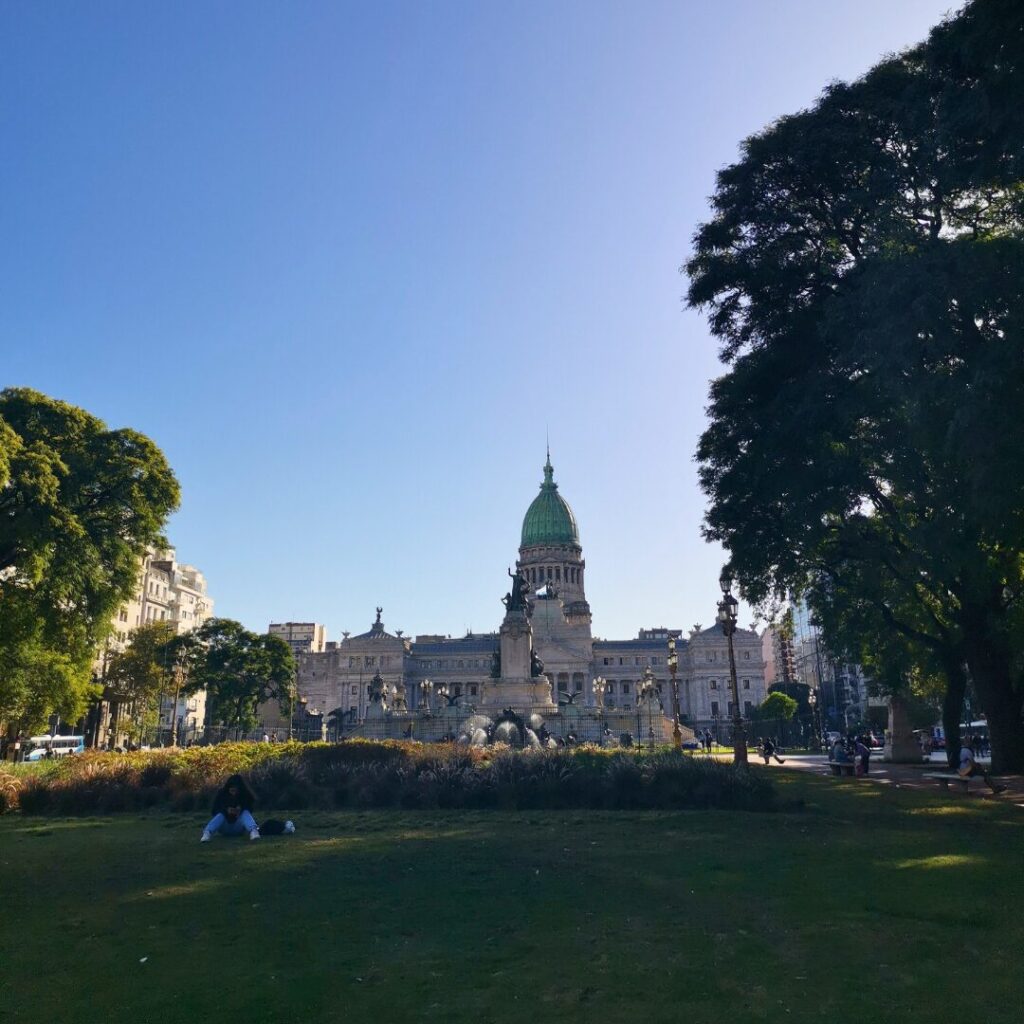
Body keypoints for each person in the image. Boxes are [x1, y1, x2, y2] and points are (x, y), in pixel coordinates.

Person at [201, 774, 260, 842]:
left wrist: (240, 809)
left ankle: (254, 831)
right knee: (221, 815)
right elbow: (214, 811)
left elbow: (249, 809)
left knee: (245, 812)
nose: (234, 793)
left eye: (235, 791)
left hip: (238, 827)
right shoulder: (222, 794)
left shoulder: (245, 795)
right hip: (224, 826)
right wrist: (226, 810)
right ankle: (207, 832)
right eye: (232, 790)